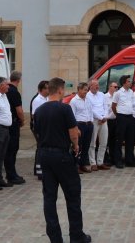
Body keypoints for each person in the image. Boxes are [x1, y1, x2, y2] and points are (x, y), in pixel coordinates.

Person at [34, 77, 92, 243]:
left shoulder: (39, 110)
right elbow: (74, 132)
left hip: (44, 155)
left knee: (49, 197)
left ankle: (55, 238)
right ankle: (76, 235)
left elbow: (38, 131)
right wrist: (75, 146)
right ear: (60, 90)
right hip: (62, 156)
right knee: (73, 195)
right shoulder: (64, 108)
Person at [4, 71, 27, 185]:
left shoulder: (6, 90)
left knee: (9, 150)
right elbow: (19, 110)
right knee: (12, 149)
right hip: (13, 124)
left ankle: (11, 173)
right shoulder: (14, 92)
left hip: (7, 123)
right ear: (18, 80)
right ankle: (11, 175)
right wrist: (22, 120)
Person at [112, 75, 135, 168]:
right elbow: (113, 106)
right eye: (129, 81)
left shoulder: (131, 92)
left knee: (130, 140)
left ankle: (129, 160)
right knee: (119, 140)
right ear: (124, 83)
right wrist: (118, 115)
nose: (130, 83)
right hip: (121, 117)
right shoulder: (118, 93)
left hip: (130, 117)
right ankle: (118, 161)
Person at [70, 82, 94, 174]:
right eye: (84, 90)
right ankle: (75, 165)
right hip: (80, 125)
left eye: (87, 90)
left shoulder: (88, 99)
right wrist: (76, 128)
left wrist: (91, 121)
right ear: (79, 89)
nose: (86, 91)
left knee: (86, 146)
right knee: (77, 146)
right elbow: (72, 116)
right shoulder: (74, 101)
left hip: (88, 125)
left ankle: (83, 164)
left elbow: (91, 111)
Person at [88, 79, 112, 171]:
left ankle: (100, 162)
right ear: (91, 86)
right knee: (92, 143)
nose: (97, 86)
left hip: (103, 120)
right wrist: (100, 118)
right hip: (94, 120)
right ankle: (93, 163)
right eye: (95, 85)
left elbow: (106, 106)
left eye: (98, 85)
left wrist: (104, 117)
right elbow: (91, 109)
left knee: (104, 142)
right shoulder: (88, 96)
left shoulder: (102, 94)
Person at [31, 80, 51, 179]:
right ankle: (39, 171)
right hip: (40, 128)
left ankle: (40, 169)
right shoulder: (37, 100)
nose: (49, 90)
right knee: (41, 148)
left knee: (42, 148)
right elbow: (35, 115)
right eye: (47, 88)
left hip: (46, 127)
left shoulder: (47, 98)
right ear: (42, 89)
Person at [104, 82, 119, 166]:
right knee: (107, 141)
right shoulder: (105, 97)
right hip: (108, 121)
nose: (116, 88)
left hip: (116, 120)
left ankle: (114, 158)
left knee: (115, 141)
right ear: (110, 87)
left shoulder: (117, 97)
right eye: (115, 87)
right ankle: (107, 158)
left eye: (117, 87)